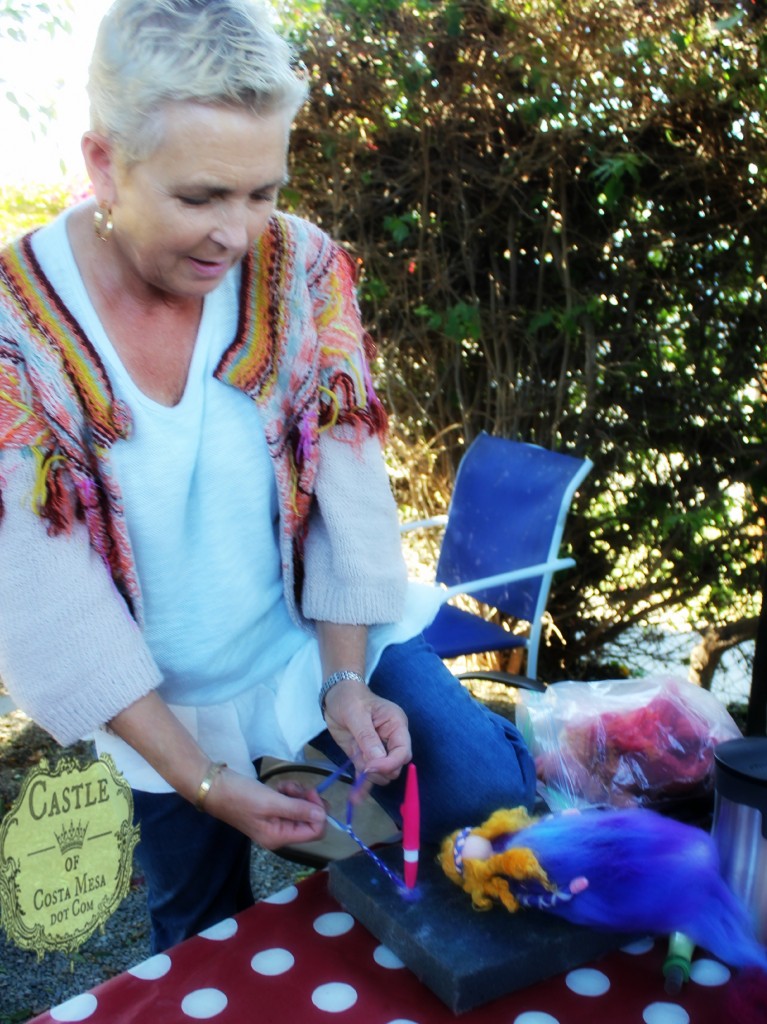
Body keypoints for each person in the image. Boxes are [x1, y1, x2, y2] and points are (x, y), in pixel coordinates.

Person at [0, 0, 536, 953]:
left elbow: (350, 496)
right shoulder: (15, 334)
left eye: (263, 192)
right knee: (198, 932)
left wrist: (341, 684)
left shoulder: (304, 267)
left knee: (471, 806)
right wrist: (204, 782)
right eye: (202, 196)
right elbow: (50, 601)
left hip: (307, 653)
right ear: (102, 162)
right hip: (153, 707)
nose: (238, 235)